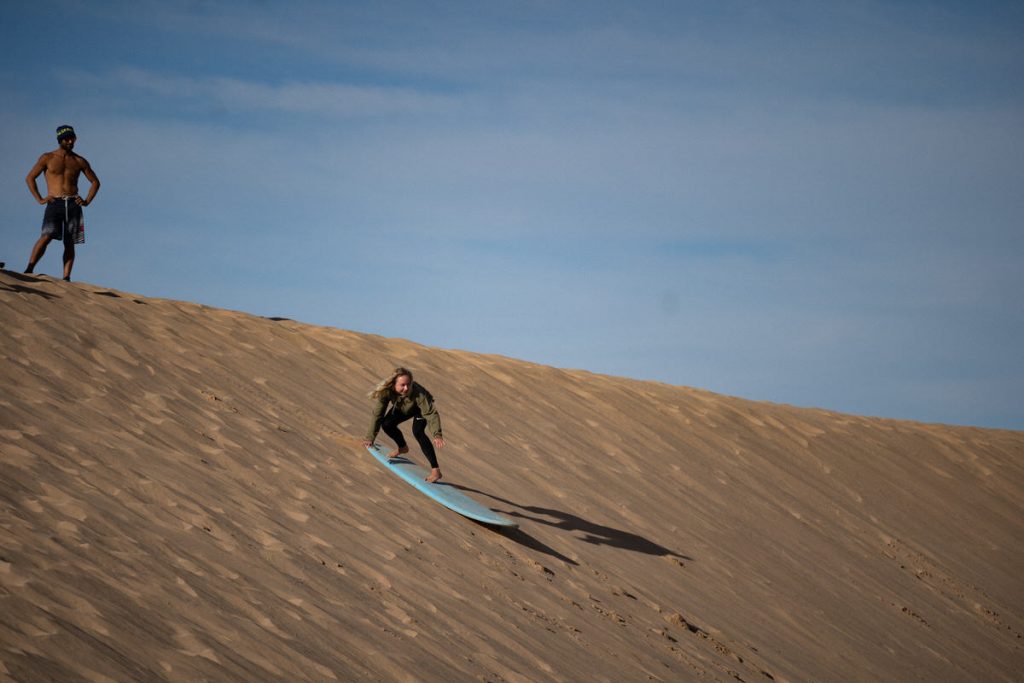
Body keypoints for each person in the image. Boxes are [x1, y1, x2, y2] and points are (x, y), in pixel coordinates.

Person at [25, 125, 101, 281]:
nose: (71, 141)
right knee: (46, 236)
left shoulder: (79, 160)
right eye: (67, 138)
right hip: (54, 203)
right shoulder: (47, 157)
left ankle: (66, 277)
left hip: (73, 204)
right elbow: (30, 178)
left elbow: (95, 182)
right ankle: (29, 268)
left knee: (70, 241)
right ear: (60, 139)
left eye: (73, 138)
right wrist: (40, 199)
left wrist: (86, 201)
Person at [362, 367, 446, 483]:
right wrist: (370, 437)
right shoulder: (386, 392)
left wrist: (437, 434)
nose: (406, 388)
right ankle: (402, 447)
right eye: (402, 385)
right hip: (402, 407)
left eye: (409, 384)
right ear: (393, 385)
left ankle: (436, 470)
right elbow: (378, 414)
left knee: (418, 432)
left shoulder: (418, 393)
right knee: (386, 424)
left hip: (419, 409)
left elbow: (431, 413)